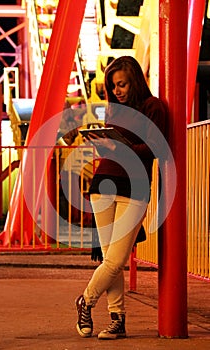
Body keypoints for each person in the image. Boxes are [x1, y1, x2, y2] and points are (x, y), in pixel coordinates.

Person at [75, 56, 167, 340]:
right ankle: (118, 319)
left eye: (122, 84)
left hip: (134, 187)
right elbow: (111, 154)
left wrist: (118, 147)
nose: (117, 91)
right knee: (109, 258)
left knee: (115, 259)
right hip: (103, 184)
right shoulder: (114, 110)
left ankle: (85, 301)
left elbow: (153, 149)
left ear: (135, 80)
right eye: (114, 86)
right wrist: (104, 145)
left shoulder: (153, 108)